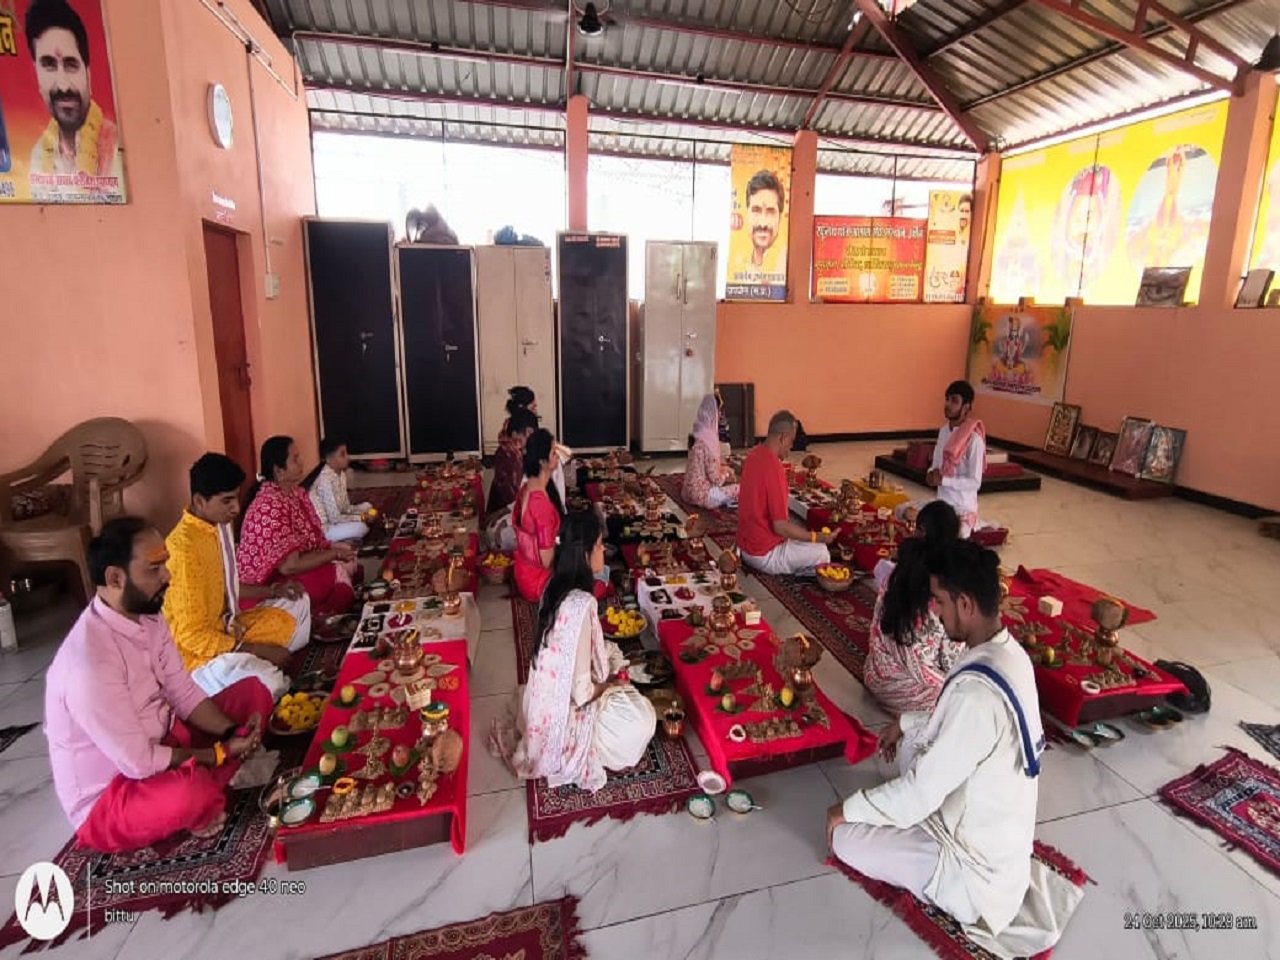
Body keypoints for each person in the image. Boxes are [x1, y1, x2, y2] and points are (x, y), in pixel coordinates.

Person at [827, 541, 1077, 959]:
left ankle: (940, 882)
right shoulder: (1008, 653)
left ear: (965, 604)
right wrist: (904, 724)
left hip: (973, 874)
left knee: (845, 839)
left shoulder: (977, 695)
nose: (936, 612)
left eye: (940, 602)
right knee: (911, 745)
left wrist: (845, 810)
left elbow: (919, 794)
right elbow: (952, 725)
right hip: (985, 826)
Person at [45, 518, 271, 853]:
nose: (167, 576)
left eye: (165, 564)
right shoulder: (88, 664)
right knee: (190, 793)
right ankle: (199, 792)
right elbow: (138, 762)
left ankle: (203, 788)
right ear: (115, 578)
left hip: (165, 742)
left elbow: (183, 691)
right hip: (115, 794)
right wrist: (218, 753)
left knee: (254, 692)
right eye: (155, 568)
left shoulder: (149, 615)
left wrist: (232, 732)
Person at [506, 511, 655, 792]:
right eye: (599, 545)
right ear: (585, 554)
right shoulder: (581, 604)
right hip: (566, 723)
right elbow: (582, 693)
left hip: (541, 709)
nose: (603, 550)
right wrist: (610, 685)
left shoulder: (553, 587)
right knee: (642, 719)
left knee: (621, 679)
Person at [164, 454, 312, 699]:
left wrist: (273, 591)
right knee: (269, 682)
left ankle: (255, 666)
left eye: (236, 497)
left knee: (298, 601)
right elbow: (190, 636)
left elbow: (227, 588)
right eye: (227, 500)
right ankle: (253, 673)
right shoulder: (183, 549)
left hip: (228, 628)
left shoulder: (215, 527)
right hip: (198, 658)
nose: (236, 508)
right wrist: (256, 649)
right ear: (199, 501)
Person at [863, 501, 966, 716]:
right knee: (973, 695)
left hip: (876, 677)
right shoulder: (947, 590)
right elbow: (949, 661)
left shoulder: (897, 573)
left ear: (920, 531)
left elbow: (878, 626)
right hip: (917, 698)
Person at [238, 436, 357, 616]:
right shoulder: (270, 505)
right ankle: (318, 618)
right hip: (267, 588)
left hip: (290, 571)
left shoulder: (294, 493)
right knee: (339, 575)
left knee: (349, 560)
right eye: (295, 459)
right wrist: (334, 554)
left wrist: (333, 550)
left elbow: (311, 544)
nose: (301, 462)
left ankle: (320, 612)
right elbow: (289, 566)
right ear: (279, 471)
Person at [24, 0, 123, 195]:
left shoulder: (115, 146)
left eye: (71, 65)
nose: (63, 85)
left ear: (88, 74)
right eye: (49, 65)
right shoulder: (37, 157)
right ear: (37, 74)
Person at [736, 410, 832, 576]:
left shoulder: (753, 454)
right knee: (822, 552)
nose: (791, 447)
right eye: (791, 441)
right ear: (783, 438)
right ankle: (800, 574)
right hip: (763, 554)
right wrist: (816, 537)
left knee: (801, 534)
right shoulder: (775, 468)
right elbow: (780, 527)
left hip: (744, 545)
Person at [897, 380, 987, 538]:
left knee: (958, 533)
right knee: (902, 511)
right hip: (941, 504)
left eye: (954, 401)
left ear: (966, 407)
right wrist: (931, 473)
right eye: (947, 399)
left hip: (962, 508)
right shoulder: (944, 431)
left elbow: (975, 482)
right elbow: (936, 464)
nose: (948, 404)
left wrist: (944, 481)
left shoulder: (974, 440)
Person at [511, 429, 564, 603]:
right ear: (542, 461)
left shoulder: (527, 488)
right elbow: (547, 560)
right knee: (598, 576)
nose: (557, 456)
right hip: (540, 582)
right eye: (553, 452)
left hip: (523, 572)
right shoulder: (541, 504)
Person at [305, 438, 372, 543]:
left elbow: (345, 508)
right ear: (329, 459)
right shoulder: (325, 480)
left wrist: (359, 514)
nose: (347, 457)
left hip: (338, 519)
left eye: (346, 453)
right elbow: (334, 518)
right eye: (342, 455)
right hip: (325, 528)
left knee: (368, 506)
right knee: (361, 528)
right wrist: (361, 518)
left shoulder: (341, 475)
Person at [682, 393, 740, 510]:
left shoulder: (697, 432)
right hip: (702, 496)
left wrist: (723, 469)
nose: (720, 415)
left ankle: (728, 500)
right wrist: (727, 474)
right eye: (718, 411)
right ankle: (729, 500)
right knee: (740, 488)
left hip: (687, 492)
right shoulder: (708, 440)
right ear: (712, 412)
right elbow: (716, 480)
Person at [487, 407, 539, 518]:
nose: (531, 438)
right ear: (515, 434)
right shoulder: (508, 456)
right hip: (505, 516)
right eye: (528, 433)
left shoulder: (517, 451)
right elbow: (513, 500)